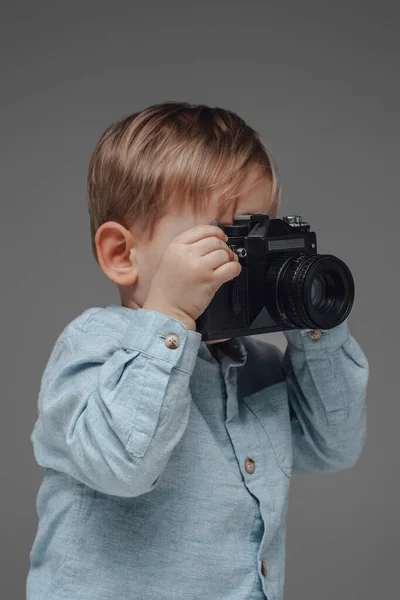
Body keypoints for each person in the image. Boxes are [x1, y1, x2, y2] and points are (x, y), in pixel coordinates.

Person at [26, 102, 369, 600]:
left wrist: (314, 325)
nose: (240, 264)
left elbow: (333, 448)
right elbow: (121, 465)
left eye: (259, 236)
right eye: (222, 242)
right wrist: (170, 315)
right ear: (122, 254)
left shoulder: (261, 367)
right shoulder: (95, 346)